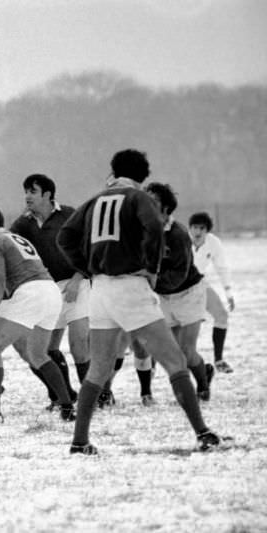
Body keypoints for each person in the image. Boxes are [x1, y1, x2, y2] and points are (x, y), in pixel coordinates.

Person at [58, 149, 220, 455]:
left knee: (98, 369)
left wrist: (88, 267)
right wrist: (152, 268)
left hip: (100, 290)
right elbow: (155, 227)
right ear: (143, 176)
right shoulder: (138, 197)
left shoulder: (95, 200)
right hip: (130, 286)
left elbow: (65, 236)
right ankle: (203, 432)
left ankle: (79, 441)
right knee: (174, 361)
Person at [0, 205, 76, 424]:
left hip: (29, 292)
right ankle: (67, 405)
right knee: (38, 354)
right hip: (50, 291)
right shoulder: (16, 238)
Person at [130, 183, 214, 403]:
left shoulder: (177, 235)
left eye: (154, 202)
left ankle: (203, 385)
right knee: (168, 351)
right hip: (163, 296)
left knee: (186, 351)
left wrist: (149, 281)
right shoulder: (141, 230)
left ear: (166, 209)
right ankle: (147, 393)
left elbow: (178, 275)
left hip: (189, 293)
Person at [9, 174, 88, 408]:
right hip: (48, 290)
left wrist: (78, 277)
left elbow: (87, 248)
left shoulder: (68, 214)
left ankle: (94, 396)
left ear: (47, 195)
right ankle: (64, 395)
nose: (27, 196)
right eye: (26, 191)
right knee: (46, 349)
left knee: (79, 344)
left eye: (32, 191)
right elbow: (7, 243)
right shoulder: (23, 223)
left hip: (78, 282)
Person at [188, 211, 235, 373]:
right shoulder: (181, 240)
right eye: (194, 227)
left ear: (207, 230)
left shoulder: (213, 243)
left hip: (199, 284)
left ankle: (219, 360)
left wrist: (228, 293)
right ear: (190, 229)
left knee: (222, 315)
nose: (198, 232)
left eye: (202, 228)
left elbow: (222, 267)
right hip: (178, 289)